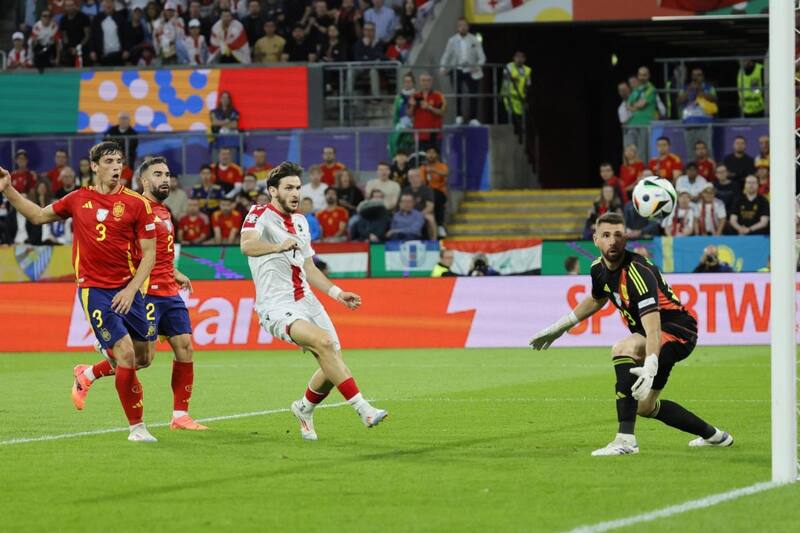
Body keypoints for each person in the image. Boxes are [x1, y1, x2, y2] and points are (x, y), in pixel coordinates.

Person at [530, 212, 734, 456]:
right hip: (660, 334)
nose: (612, 241)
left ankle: (625, 441)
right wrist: (560, 326)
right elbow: (597, 299)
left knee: (623, 348)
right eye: (606, 235)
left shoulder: (637, 272)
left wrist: (650, 363)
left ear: (626, 238)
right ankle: (715, 436)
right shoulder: (598, 269)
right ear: (595, 240)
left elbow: (652, 327)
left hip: (676, 332)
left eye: (618, 235)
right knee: (645, 406)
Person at [0, 141, 158, 442]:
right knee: (124, 354)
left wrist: (131, 289)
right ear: (94, 166)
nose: (116, 166)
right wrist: (7, 189)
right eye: (109, 161)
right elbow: (37, 216)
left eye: (119, 161)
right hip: (95, 289)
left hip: (128, 289)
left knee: (145, 357)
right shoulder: (78, 199)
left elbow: (149, 254)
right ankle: (137, 428)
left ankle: (88, 372)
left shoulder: (138, 204)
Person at [240, 162, 388, 440]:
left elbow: (309, 268)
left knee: (332, 360)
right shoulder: (259, 213)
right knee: (323, 343)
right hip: (275, 305)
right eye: (289, 188)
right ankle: (363, 408)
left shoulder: (300, 221)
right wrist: (277, 246)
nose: (295, 193)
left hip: (306, 300)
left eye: (298, 187)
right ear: (273, 191)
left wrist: (337, 293)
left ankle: (304, 408)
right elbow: (246, 245)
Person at [71, 157, 207, 431]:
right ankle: (88, 372)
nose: (165, 179)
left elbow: (156, 252)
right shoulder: (132, 208)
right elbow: (126, 250)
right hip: (146, 292)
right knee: (142, 359)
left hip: (168, 289)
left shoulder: (165, 212)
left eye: (168, 174)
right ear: (144, 181)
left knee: (186, 347)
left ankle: (180, 416)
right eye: (158, 174)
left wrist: (175, 271)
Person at [439, 18, 485, 126]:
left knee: (473, 94)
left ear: (468, 27)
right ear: (457, 27)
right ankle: (458, 116)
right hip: (457, 69)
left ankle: (473, 118)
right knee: (457, 93)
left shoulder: (474, 40)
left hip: (471, 70)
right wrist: (443, 67)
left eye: (465, 25)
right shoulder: (452, 40)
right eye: (460, 25)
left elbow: (482, 57)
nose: (462, 27)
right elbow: (446, 55)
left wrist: (477, 66)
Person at [409, 72, 446, 153]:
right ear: (420, 82)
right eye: (423, 80)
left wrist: (429, 107)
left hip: (434, 135)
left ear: (431, 81)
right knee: (420, 162)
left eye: (428, 80)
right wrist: (412, 105)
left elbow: (442, 112)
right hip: (419, 135)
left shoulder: (438, 96)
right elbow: (409, 114)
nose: (425, 83)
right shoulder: (415, 95)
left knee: (435, 161)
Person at [625, 67, 658, 155]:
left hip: (645, 124)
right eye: (640, 75)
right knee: (630, 152)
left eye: (644, 75)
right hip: (632, 125)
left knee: (642, 152)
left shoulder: (651, 89)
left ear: (648, 76)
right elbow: (627, 105)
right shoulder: (636, 89)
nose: (642, 77)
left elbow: (642, 104)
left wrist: (635, 106)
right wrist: (636, 106)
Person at [89, 0, 130, 66]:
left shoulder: (120, 18)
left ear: (114, 5)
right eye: (107, 2)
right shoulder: (97, 19)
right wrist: (92, 51)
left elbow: (126, 35)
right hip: (102, 56)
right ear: (103, 5)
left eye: (110, 2)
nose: (109, 5)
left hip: (118, 55)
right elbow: (92, 36)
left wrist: (127, 49)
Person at [501, 50, 531, 139]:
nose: (519, 59)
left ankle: (520, 138)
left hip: (520, 99)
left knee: (520, 121)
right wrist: (512, 78)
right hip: (508, 97)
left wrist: (526, 98)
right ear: (514, 58)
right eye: (517, 57)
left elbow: (528, 85)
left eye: (522, 57)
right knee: (508, 118)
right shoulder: (509, 66)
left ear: (524, 59)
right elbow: (506, 77)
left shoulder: (527, 70)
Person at [419, 148, 448, 235]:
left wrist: (434, 170)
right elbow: (422, 182)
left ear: (437, 155)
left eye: (433, 153)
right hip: (427, 193)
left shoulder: (442, 165)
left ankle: (439, 225)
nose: (431, 155)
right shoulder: (423, 167)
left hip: (440, 192)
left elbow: (446, 173)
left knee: (435, 195)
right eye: (429, 153)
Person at [403, 167, 436, 239]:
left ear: (421, 178)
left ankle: (433, 243)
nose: (414, 179)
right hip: (408, 213)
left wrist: (418, 215)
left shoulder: (427, 190)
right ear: (408, 179)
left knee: (430, 218)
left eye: (417, 176)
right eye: (411, 177)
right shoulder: (405, 190)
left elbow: (430, 207)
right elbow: (401, 205)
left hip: (422, 213)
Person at [59, 0, 91, 67]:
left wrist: (78, 47)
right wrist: (70, 48)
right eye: (67, 6)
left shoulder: (84, 17)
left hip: (83, 48)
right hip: (70, 49)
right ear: (65, 7)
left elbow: (87, 35)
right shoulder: (63, 20)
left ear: (75, 6)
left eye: (71, 5)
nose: (70, 8)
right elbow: (65, 37)